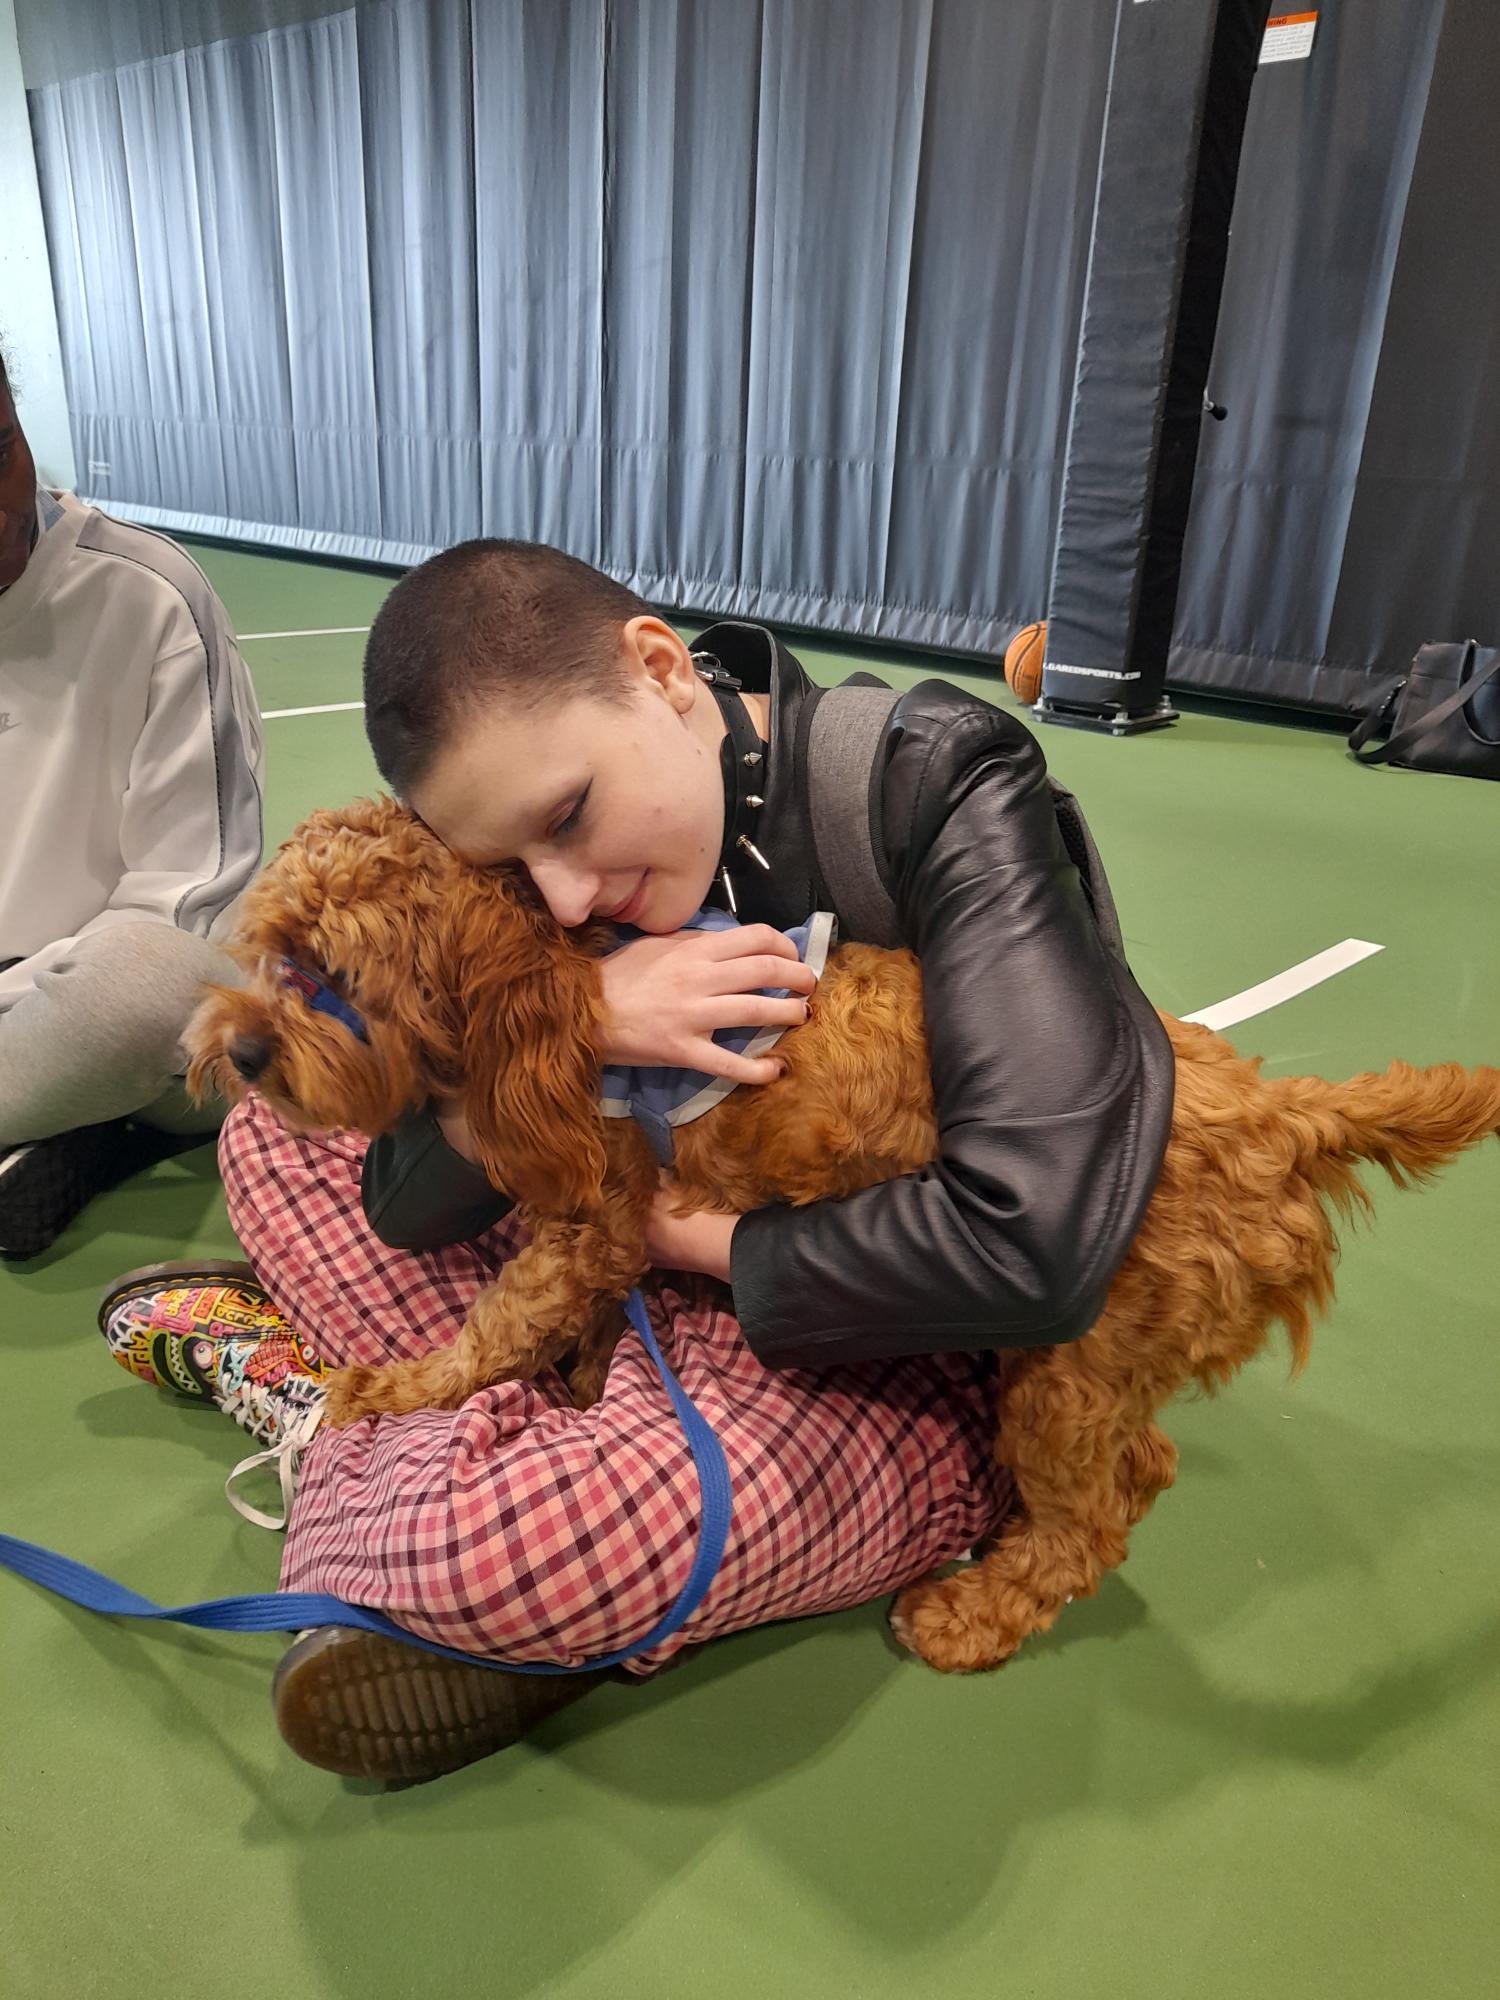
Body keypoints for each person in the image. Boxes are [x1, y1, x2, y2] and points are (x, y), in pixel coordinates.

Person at [101, 538, 1172, 1783]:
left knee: (522, 1536)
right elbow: (404, 1197)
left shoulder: (936, 785)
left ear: (661, 669)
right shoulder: (536, 855)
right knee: (268, 1133)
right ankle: (463, 1484)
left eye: (570, 818)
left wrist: (689, 1241)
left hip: (888, 1323)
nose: (558, 901)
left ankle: (411, 1482)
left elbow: (1033, 1242)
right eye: (511, 866)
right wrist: (578, 1021)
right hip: (624, 1244)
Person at [0, 344, 265, 1256]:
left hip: (127, 1024)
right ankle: (59, 1125)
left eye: (0, 447)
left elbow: (188, 907)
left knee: (155, 990)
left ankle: (79, 1109)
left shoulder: (149, 597)